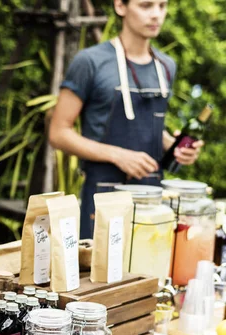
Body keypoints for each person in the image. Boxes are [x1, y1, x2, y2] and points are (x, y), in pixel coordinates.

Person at [49, 0, 203, 238]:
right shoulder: (90, 62)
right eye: (146, 6)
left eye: (162, 6)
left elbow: (147, 126)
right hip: (103, 197)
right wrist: (117, 155)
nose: (156, 15)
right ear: (120, 6)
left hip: (151, 200)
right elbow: (59, 133)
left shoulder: (166, 66)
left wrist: (176, 148)